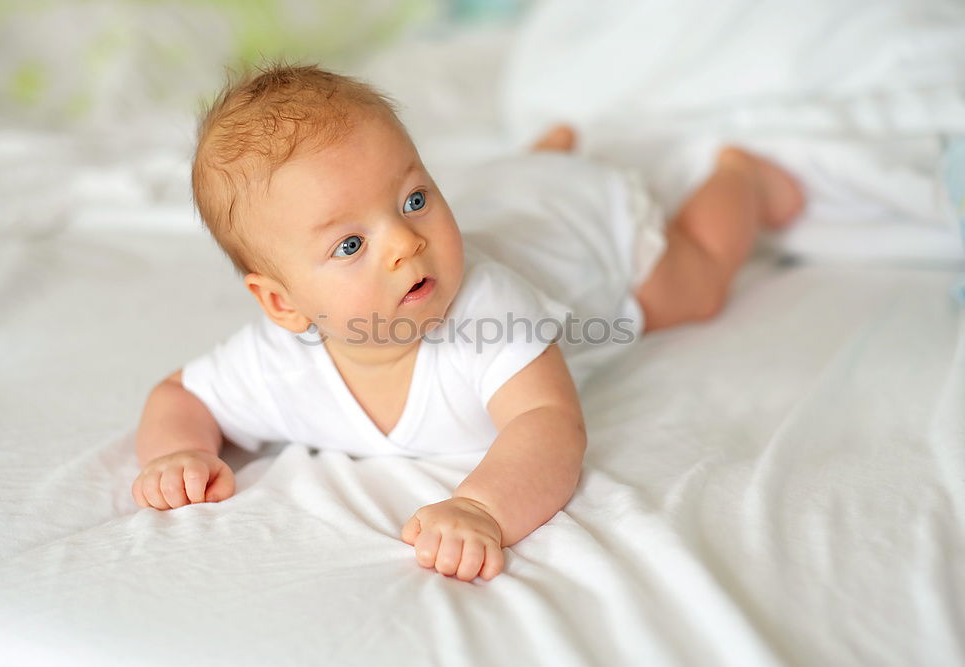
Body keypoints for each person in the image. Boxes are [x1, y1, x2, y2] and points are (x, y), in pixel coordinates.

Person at [131, 63, 804, 583]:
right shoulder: (277, 362)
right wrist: (176, 452)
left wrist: (481, 506)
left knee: (694, 287)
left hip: (582, 229)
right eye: (350, 244)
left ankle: (739, 177)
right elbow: (179, 396)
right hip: (509, 197)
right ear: (282, 304)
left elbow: (548, 422)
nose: (405, 243)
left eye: (415, 198)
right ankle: (547, 154)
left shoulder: (488, 307)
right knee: (510, 191)